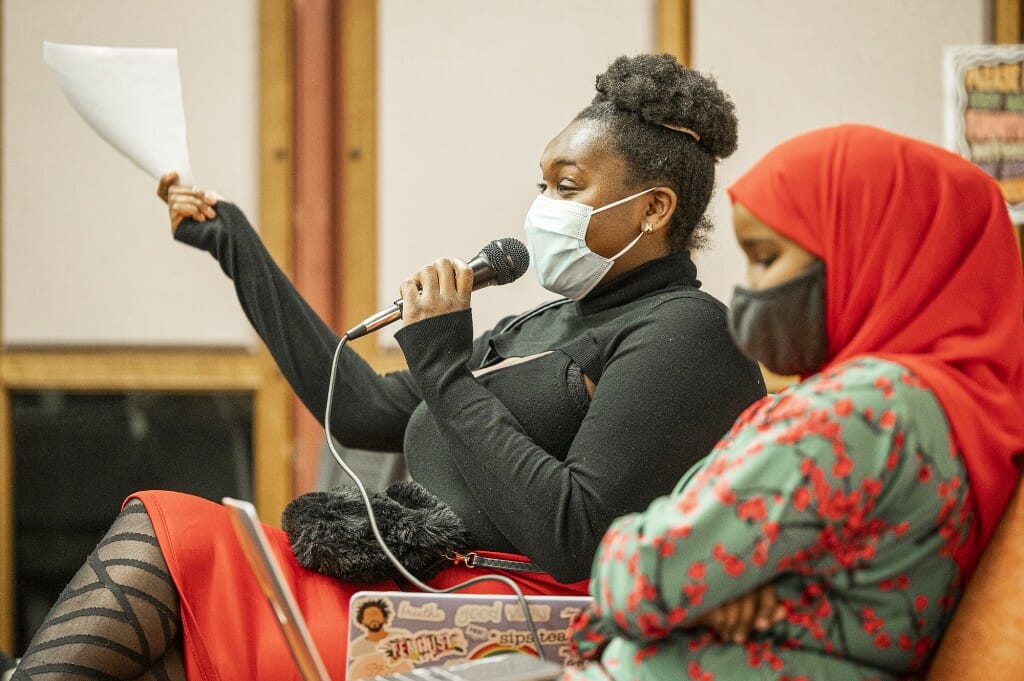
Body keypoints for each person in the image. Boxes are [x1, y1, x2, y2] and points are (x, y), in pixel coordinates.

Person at [9, 54, 766, 680]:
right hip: (409, 592)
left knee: (170, 548)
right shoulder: (545, 319)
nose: (543, 206)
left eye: (568, 187)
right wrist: (235, 246)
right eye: (543, 185)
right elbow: (361, 405)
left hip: (505, 620)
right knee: (169, 541)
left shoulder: (688, 335)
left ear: (655, 208)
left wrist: (445, 367)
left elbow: (576, 533)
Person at [563, 123, 1024, 681]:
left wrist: (677, 585)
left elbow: (646, 579)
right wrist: (717, 588)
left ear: (868, 253)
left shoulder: (862, 408)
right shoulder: (955, 407)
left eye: (765, 256)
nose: (746, 288)